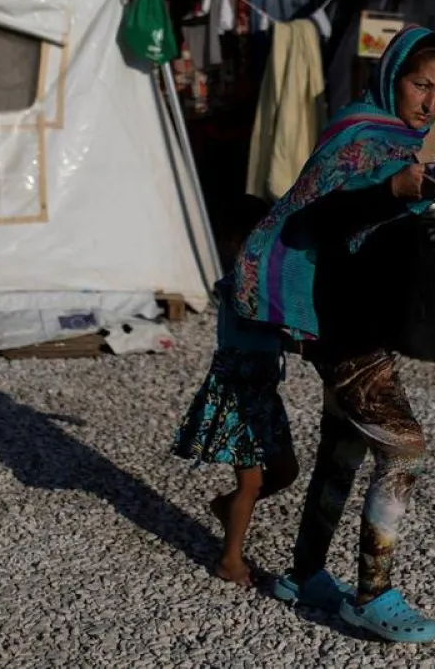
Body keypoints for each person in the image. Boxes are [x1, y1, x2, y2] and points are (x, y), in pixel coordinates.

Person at [229, 25, 435, 643]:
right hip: (342, 324)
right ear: (394, 76)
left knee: (345, 444)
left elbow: (384, 224)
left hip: (369, 322)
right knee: (404, 447)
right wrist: (395, 189)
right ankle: (371, 594)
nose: (429, 101)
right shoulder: (357, 136)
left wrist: (422, 190)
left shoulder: (404, 146)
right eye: (420, 84)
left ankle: (304, 575)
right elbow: (321, 215)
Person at [172, 201, 299, 588]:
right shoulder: (239, 288)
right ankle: (229, 559)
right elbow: (265, 320)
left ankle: (226, 507)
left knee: (285, 472)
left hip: (262, 394)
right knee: (252, 483)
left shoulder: (259, 285)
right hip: (239, 397)